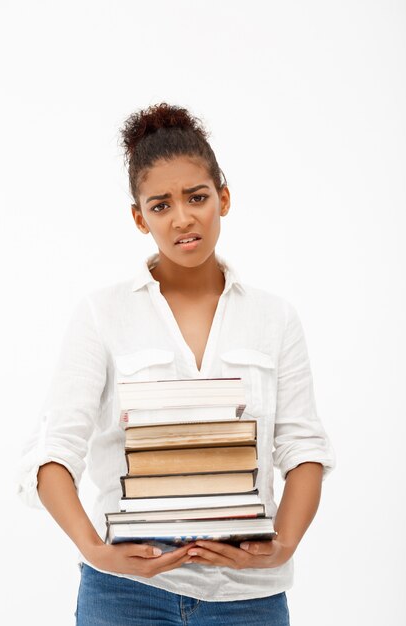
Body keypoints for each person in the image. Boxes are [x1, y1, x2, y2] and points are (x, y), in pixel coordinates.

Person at [18, 102, 335, 626]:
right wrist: (95, 550)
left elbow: (302, 446)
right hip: (125, 595)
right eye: (161, 205)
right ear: (140, 217)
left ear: (223, 199)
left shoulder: (274, 318)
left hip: (248, 597)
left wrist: (285, 544)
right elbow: (53, 451)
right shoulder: (103, 313)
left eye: (197, 197)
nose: (183, 218)